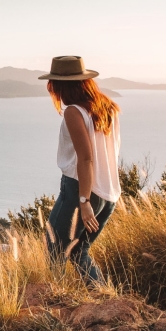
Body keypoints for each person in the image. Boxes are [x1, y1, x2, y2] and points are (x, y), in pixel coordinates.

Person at [38, 55, 121, 285]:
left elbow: (85, 159)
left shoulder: (73, 112)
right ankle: (104, 300)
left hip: (80, 190)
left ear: (60, 85)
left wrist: (84, 201)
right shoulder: (107, 108)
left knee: (54, 249)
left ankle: (56, 303)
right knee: (78, 252)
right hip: (108, 193)